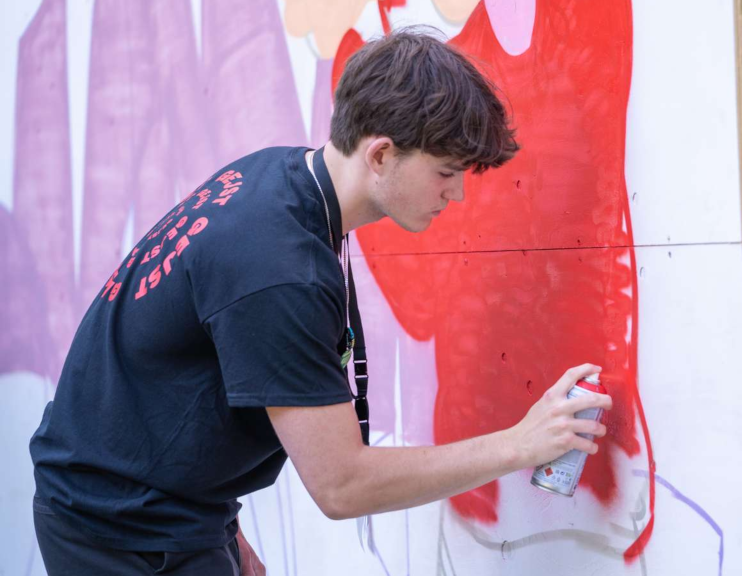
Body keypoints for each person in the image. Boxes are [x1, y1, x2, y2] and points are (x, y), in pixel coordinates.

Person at [29, 28, 612, 575]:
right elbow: (342, 486)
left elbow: (174, 371)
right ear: (380, 155)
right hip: (121, 531)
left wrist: (220, 526)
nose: (456, 194)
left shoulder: (276, 179)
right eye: (445, 172)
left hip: (148, 508)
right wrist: (519, 444)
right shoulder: (280, 269)